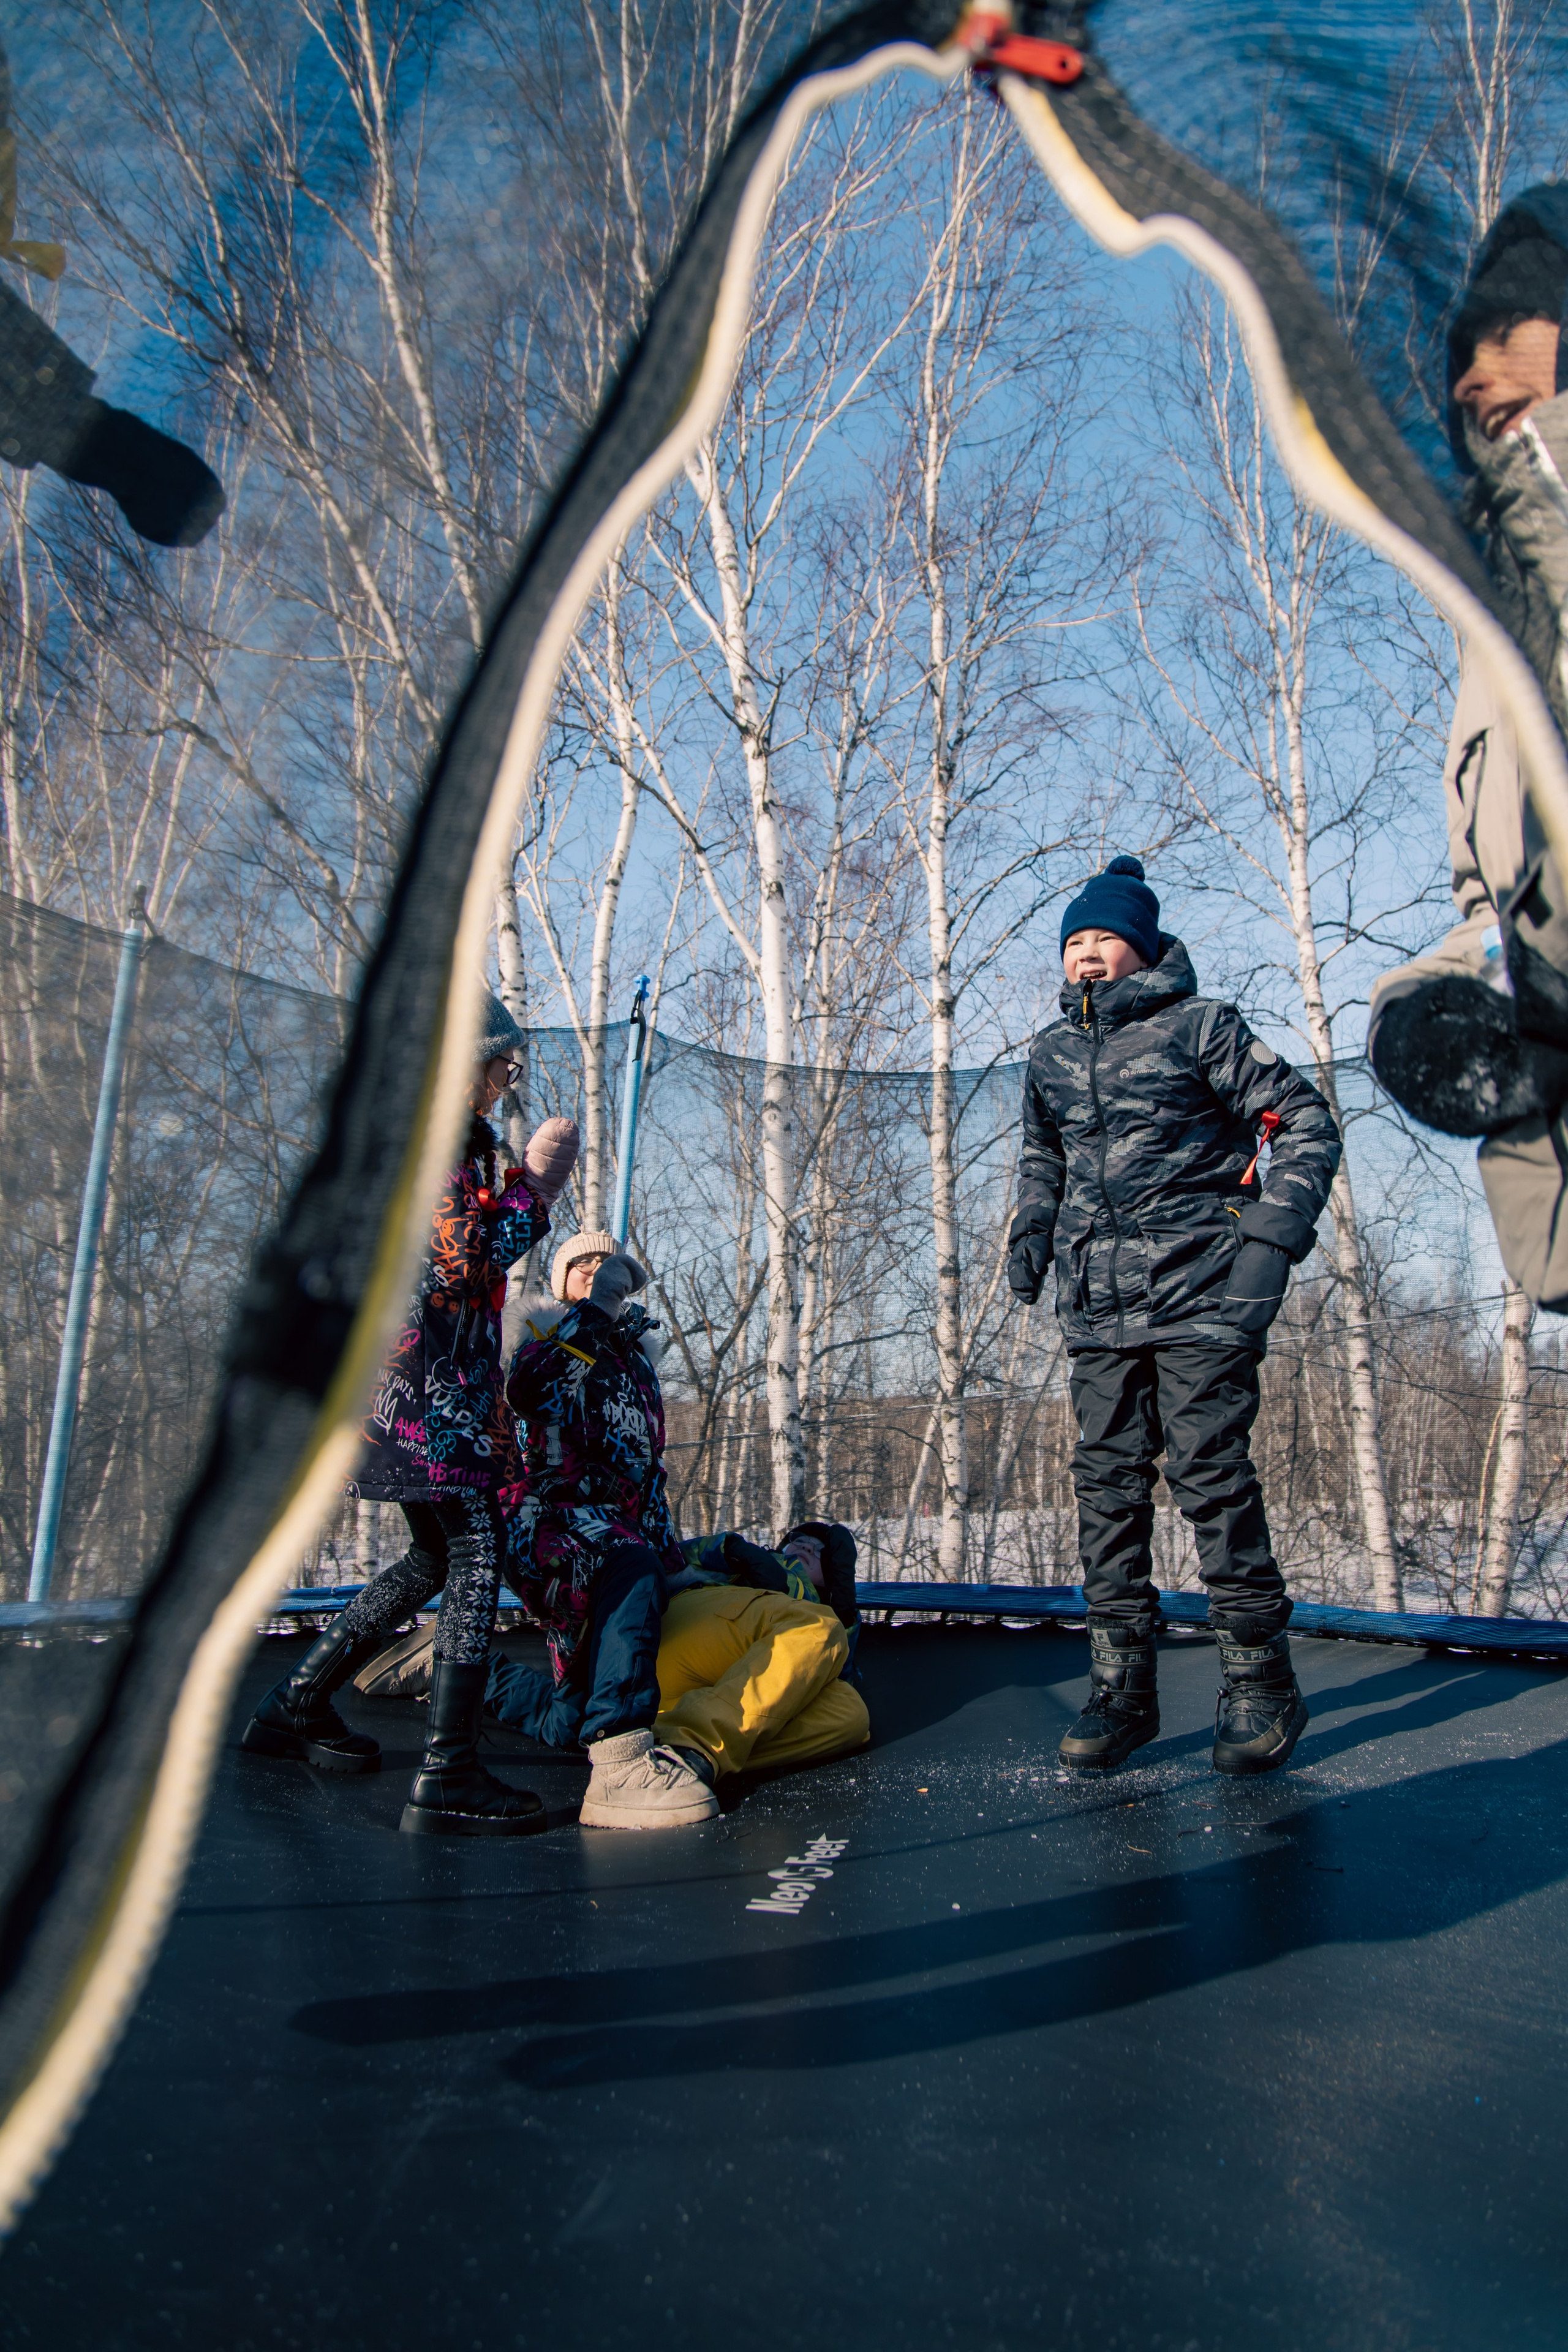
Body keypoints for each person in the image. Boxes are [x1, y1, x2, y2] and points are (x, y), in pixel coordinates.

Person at [1008, 856, 1341, 1776]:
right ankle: (1123, 1689)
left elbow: (1305, 1121)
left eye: (1103, 938)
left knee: (1209, 1477)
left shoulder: (1201, 1028)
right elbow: (1042, 1153)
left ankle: (1261, 1683)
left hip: (1202, 1294)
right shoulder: (1049, 1054)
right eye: (1072, 941)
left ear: (1143, 948)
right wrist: (1032, 1226)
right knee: (1106, 1490)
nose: (1085, 954)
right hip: (1098, 1309)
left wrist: (1272, 1237)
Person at [242, 992, 579, 1838]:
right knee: (475, 1549)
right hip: (432, 1396)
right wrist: (536, 1195)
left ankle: (298, 1702)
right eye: (502, 1066)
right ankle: (449, 1770)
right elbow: (461, 1263)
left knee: (435, 1554)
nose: (506, 1082)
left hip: (412, 1389)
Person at [1369, 186, 1568, 1303]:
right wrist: (1443, 992)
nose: (1468, 377)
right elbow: (1508, 899)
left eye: (1504, 334)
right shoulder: (1501, 609)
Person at [360, 1520, 870, 1789]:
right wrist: (733, 1550)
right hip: (690, 1626)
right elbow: (673, 1557)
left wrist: (844, 1608)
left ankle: (454, 1665)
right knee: (817, 1628)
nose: (802, 1550)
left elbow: (835, 1667)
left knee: (851, 1716)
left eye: (815, 1553)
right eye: (797, 1542)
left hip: (700, 1685)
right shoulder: (756, 1572)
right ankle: (694, 1748)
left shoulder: (828, 1610)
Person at [497, 1229, 718, 1828]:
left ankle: (454, 1669)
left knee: (566, 1724)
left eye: (606, 1263)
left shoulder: (638, 1366)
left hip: (619, 1534)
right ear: (564, 1280)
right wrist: (596, 1311)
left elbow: (648, 1472)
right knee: (630, 1565)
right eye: (584, 1265)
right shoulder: (542, 1334)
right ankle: (622, 1765)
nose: (596, 1271)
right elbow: (533, 1394)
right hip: (547, 1525)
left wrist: (673, 1566)